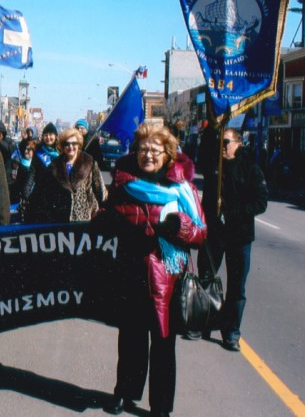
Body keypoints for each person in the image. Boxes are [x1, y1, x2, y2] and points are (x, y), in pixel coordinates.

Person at [102, 123, 207, 416]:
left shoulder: (182, 188)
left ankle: (161, 407)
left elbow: (201, 232)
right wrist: (104, 217)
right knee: (131, 339)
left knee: (163, 344)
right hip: (131, 269)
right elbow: (109, 217)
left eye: (156, 150)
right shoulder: (125, 183)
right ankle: (124, 393)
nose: (149, 155)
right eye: (144, 149)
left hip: (167, 278)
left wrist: (180, 227)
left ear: (168, 154)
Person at [195, 128, 268, 351]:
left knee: (237, 287)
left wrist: (234, 214)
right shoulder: (213, 166)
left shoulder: (251, 170)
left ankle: (231, 332)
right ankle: (203, 321)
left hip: (240, 236)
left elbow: (261, 202)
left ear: (238, 143)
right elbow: (204, 148)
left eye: (226, 142)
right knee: (206, 277)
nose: (223, 146)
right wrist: (212, 127)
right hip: (214, 234)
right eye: (220, 142)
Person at [24, 127, 106, 223]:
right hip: (60, 220)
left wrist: (100, 212)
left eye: (74, 143)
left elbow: (100, 191)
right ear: (63, 146)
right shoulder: (54, 165)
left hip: (84, 218)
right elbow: (45, 192)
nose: (71, 147)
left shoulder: (89, 162)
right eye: (67, 144)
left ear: (78, 145)